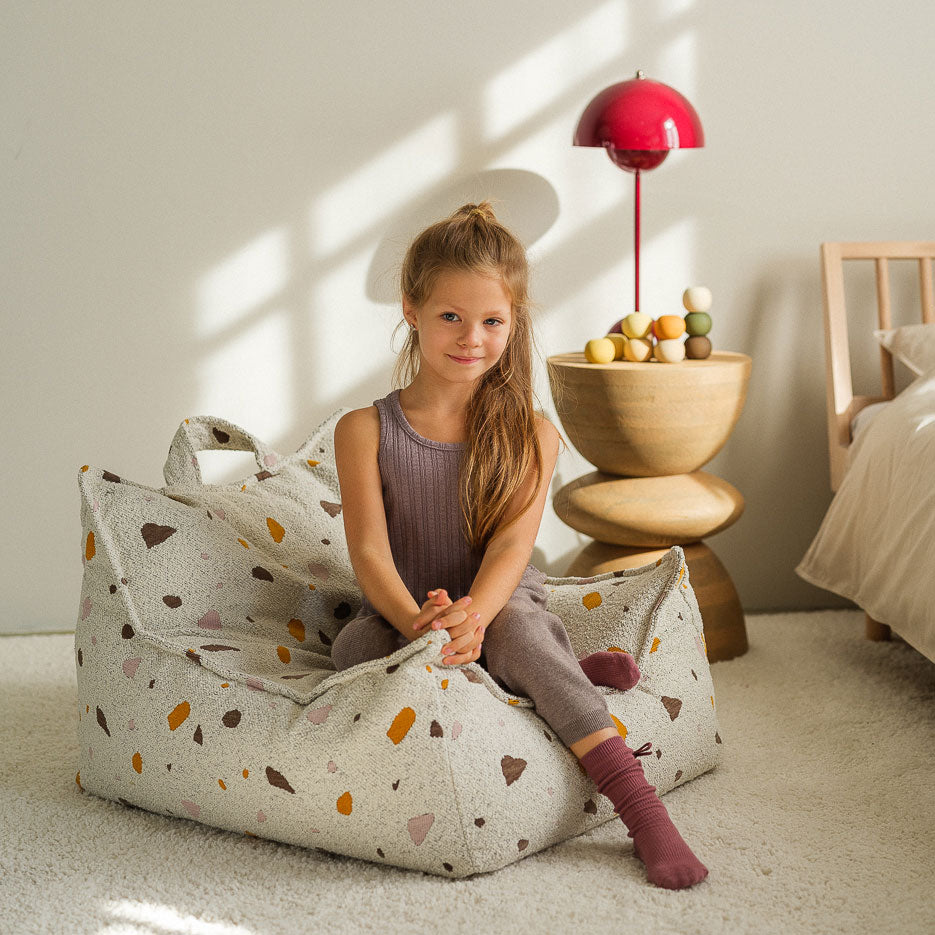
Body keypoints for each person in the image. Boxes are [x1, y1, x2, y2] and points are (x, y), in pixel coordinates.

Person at [331, 201, 708, 889]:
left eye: (492, 321)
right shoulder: (362, 428)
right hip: (400, 606)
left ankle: (641, 806)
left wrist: (472, 614)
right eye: (450, 316)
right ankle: (566, 669)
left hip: (499, 598)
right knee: (352, 653)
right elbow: (368, 553)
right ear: (410, 308)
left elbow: (510, 547)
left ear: (513, 321)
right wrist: (419, 620)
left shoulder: (531, 432)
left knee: (515, 634)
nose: (471, 336)